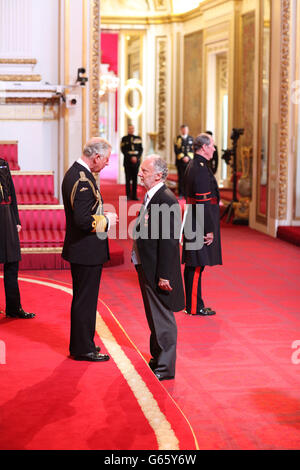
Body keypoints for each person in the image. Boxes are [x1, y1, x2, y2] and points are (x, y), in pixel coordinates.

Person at [62, 137, 117, 362]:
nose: (106, 165)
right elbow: (83, 221)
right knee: (85, 301)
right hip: (86, 250)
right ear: (96, 157)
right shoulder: (82, 180)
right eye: (105, 160)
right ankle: (83, 347)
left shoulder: (77, 173)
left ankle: (83, 344)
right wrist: (106, 220)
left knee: (83, 300)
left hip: (83, 250)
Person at [132, 155, 184, 381]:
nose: (140, 174)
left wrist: (164, 275)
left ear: (159, 175)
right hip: (147, 264)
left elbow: (170, 242)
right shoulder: (153, 196)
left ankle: (165, 367)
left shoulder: (166, 200)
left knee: (162, 317)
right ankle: (157, 358)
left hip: (158, 270)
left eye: (144, 170)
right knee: (153, 316)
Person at [182, 133, 222, 316]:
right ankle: (193, 306)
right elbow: (203, 201)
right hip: (199, 223)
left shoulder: (196, 165)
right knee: (197, 265)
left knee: (195, 265)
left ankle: (194, 303)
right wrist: (209, 230)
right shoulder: (199, 167)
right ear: (204, 147)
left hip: (194, 219)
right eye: (212, 145)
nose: (214, 148)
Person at [0, 158, 35, 319]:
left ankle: (13, 308)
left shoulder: (3, 163)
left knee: (12, 263)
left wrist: (16, 219)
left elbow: (11, 192)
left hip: (6, 216)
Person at [120, 124, 143, 200]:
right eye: (129, 128)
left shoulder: (138, 138)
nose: (131, 130)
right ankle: (128, 196)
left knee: (135, 179)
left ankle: (134, 195)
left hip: (136, 162)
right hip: (127, 161)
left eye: (132, 128)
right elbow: (123, 150)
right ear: (128, 129)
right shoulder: (124, 139)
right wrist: (131, 157)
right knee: (127, 179)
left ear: (134, 129)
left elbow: (141, 149)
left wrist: (137, 157)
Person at [174, 124, 194, 198]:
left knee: (188, 178)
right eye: (183, 129)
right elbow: (176, 150)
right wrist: (183, 157)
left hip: (189, 162)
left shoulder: (191, 139)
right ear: (181, 130)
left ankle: (187, 193)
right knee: (181, 177)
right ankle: (181, 193)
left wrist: (188, 157)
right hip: (180, 162)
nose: (185, 131)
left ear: (188, 130)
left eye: (186, 129)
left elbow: (193, 150)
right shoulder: (177, 139)